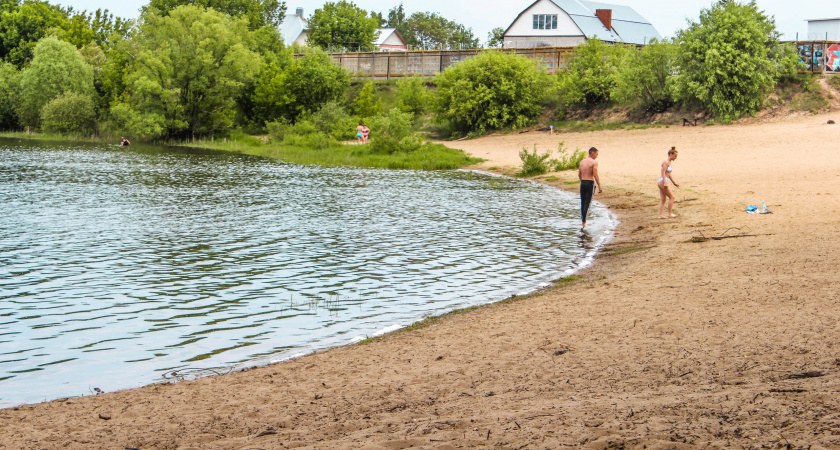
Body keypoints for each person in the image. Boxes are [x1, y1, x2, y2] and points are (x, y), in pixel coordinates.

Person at [578, 147, 602, 229]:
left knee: (582, 202)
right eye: (596, 154)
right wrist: (599, 186)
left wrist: (582, 181)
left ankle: (583, 220)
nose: (597, 156)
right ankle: (584, 222)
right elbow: (595, 174)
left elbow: (579, 174)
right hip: (590, 183)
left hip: (583, 183)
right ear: (592, 153)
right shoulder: (594, 162)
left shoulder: (582, 162)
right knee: (587, 203)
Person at [658, 147, 680, 219]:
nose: (675, 158)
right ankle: (670, 213)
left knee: (663, 199)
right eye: (675, 156)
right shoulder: (666, 162)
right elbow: (663, 173)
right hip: (662, 181)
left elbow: (668, 173)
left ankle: (660, 215)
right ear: (670, 154)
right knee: (672, 197)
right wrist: (665, 183)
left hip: (663, 181)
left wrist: (673, 182)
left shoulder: (669, 162)